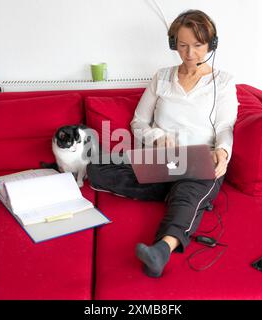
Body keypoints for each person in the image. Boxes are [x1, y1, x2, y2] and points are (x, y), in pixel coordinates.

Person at [86, 9, 238, 278]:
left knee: (192, 187)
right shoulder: (162, 77)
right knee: (97, 167)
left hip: (200, 160)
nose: (190, 53)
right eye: (182, 46)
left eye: (198, 45)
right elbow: (138, 123)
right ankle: (174, 191)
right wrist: (157, 138)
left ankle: (161, 250)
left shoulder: (223, 82)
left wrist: (223, 153)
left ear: (211, 44)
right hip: (161, 159)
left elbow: (225, 127)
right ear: (173, 45)